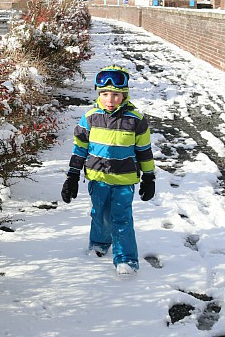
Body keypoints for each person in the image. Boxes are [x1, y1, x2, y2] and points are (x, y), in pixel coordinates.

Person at [60, 65, 155, 276]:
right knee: (100, 214)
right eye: (104, 94)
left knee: (121, 218)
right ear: (98, 94)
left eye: (115, 94)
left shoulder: (136, 121)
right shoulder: (90, 118)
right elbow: (80, 149)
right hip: (97, 178)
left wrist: (149, 177)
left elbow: (144, 151)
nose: (109, 99)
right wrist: (72, 177)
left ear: (124, 95)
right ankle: (99, 244)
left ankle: (126, 259)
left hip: (124, 180)